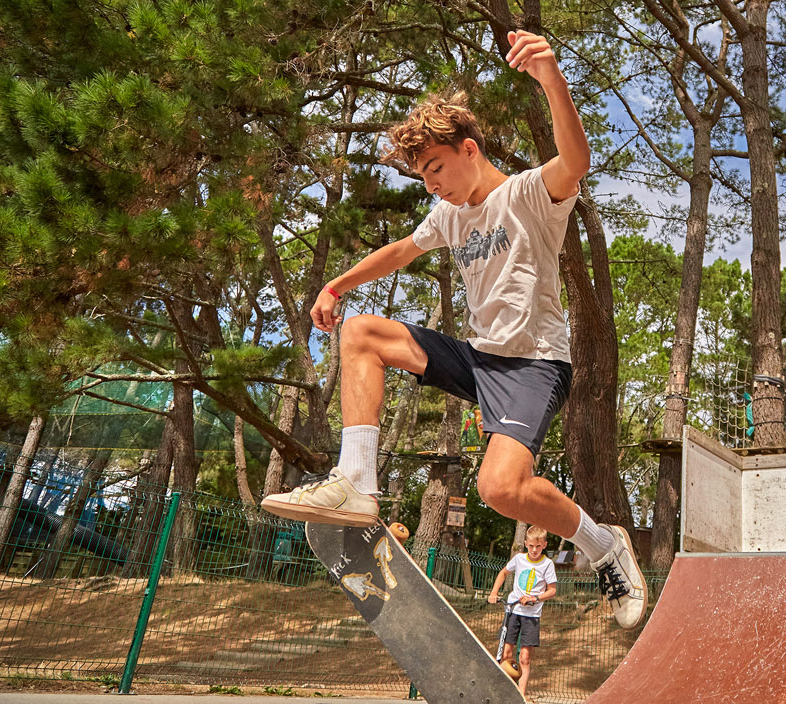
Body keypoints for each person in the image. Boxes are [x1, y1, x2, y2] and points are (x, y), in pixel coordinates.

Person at [260, 29, 646, 631]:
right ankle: (356, 481)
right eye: (422, 177)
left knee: (500, 489)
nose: (432, 185)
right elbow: (399, 251)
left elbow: (575, 161)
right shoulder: (448, 214)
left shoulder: (528, 195)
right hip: (478, 358)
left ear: (470, 149)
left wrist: (551, 79)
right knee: (360, 333)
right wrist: (336, 285)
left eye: (436, 168)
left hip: (534, 364)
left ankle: (603, 544)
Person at [487, 525, 557, 698]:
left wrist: (535, 598)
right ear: (525, 543)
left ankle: (521, 696)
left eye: (538, 546)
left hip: (531, 616)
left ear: (544, 545)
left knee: (524, 657)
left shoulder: (547, 564)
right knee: (506, 653)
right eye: (531, 546)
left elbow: (552, 590)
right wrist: (494, 592)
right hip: (513, 611)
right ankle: (504, 694)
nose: (534, 550)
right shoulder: (519, 559)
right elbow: (504, 572)